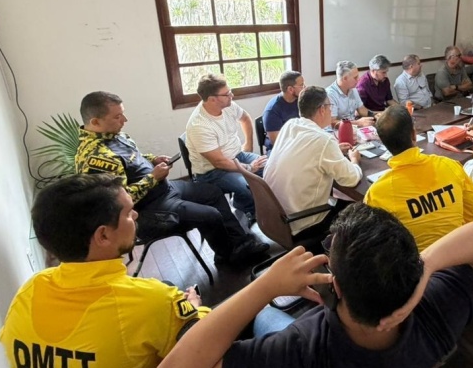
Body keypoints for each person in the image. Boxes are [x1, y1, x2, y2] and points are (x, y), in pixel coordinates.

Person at [152, 204, 473, 368]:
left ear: (335, 286)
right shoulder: (438, 310)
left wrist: (264, 289)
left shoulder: (296, 358)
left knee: (263, 319)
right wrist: (428, 265)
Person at [0, 174, 209, 368]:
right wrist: (195, 309)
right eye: (128, 213)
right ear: (103, 235)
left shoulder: (29, 290)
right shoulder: (153, 301)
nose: (136, 215)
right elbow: (203, 350)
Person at [75, 91, 266, 266]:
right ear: (95, 122)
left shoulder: (114, 134)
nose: (124, 119)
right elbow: (119, 202)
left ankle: (240, 242)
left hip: (163, 189)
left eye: (122, 113)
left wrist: (154, 159)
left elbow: (135, 158)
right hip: (148, 209)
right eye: (117, 117)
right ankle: (227, 255)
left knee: (212, 192)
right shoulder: (97, 158)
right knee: (210, 214)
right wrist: (152, 177)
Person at [364, 106, 473, 251]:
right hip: (460, 257)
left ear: (384, 143)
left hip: (416, 268)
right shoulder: (449, 166)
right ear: (414, 135)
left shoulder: (377, 193)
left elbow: (378, 247)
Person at [264, 86, 362, 239]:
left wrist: (333, 149)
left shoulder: (290, 125)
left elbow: (304, 151)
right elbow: (351, 179)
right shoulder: (323, 140)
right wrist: (355, 160)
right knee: (360, 209)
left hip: (275, 216)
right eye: (330, 106)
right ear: (322, 109)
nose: (331, 111)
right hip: (302, 223)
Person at [186, 75, 268, 222]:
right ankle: (251, 215)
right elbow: (220, 163)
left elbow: (245, 118)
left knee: (272, 166)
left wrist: (248, 145)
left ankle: (241, 204)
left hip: (237, 156)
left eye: (230, 91)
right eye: (227, 94)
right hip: (213, 172)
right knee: (251, 187)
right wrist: (249, 168)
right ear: (212, 99)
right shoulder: (199, 126)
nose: (232, 95)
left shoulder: (228, 105)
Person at [261, 70, 304, 153]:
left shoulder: (301, 101)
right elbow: (277, 142)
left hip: (299, 144)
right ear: (290, 89)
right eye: (301, 85)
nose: (304, 88)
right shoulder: (272, 110)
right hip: (279, 150)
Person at [327, 60, 376, 126]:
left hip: (353, 127)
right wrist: (357, 123)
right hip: (337, 131)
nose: (358, 79)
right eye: (355, 77)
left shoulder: (353, 89)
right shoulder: (330, 94)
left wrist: (375, 115)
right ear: (345, 78)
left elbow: (361, 109)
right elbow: (332, 122)